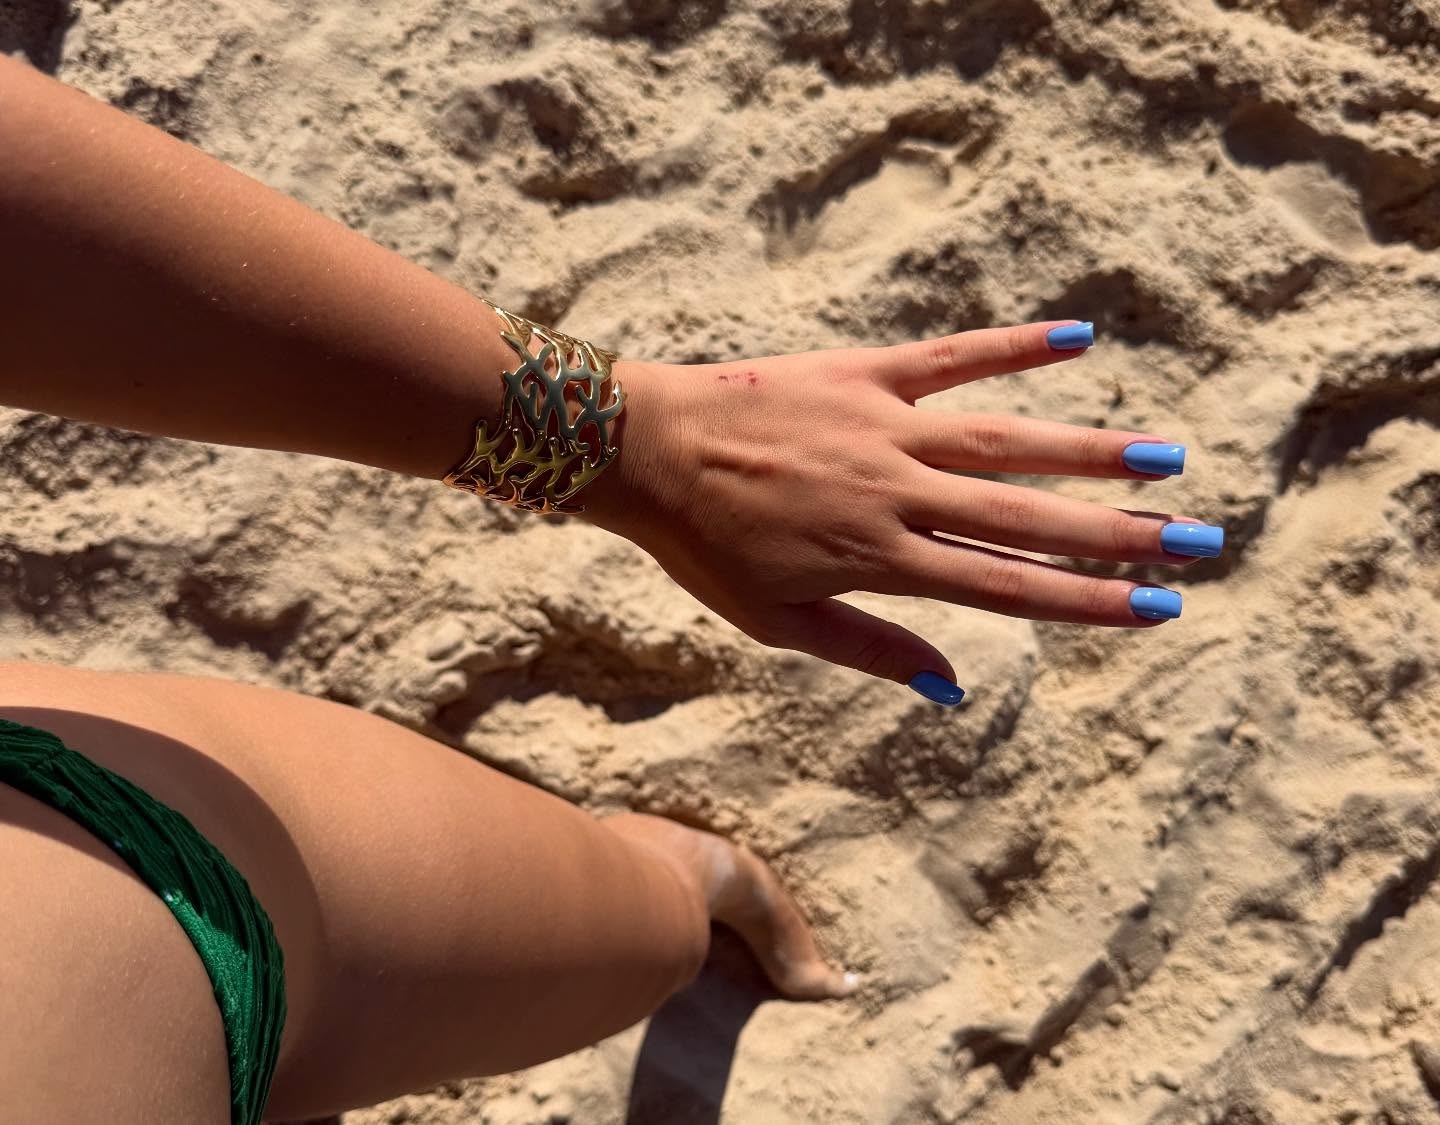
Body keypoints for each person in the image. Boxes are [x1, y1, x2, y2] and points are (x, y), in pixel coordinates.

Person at [0, 51, 1224, 1124]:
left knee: (647, 928)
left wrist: (642, 449)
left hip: (137, 879)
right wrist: (633, 450)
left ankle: (701, 886)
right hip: (144, 903)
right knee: (620, 930)